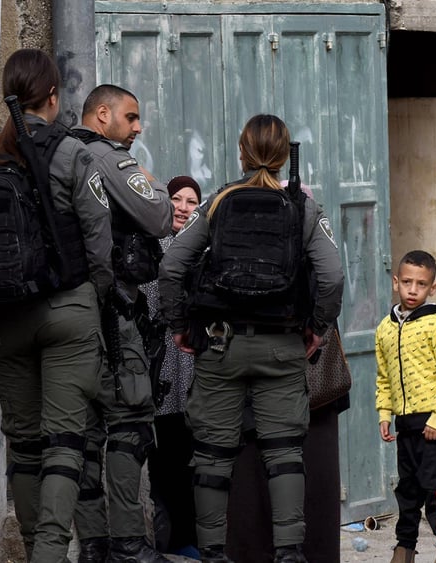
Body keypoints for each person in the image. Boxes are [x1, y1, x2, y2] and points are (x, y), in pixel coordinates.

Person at [158, 114, 345, 563]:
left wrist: (180, 326)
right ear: (283, 157)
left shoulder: (220, 201)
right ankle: (288, 554)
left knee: (212, 457)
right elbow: (333, 274)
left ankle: (215, 554)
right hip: (282, 345)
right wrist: (317, 330)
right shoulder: (302, 206)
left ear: (242, 152)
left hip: (220, 346)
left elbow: (171, 266)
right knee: (284, 453)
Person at [0, 49, 114, 561]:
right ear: (53, 96)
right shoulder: (72, 152)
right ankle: (51, 553)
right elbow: (99, 239)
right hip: (66, 309)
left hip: (3, 314)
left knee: (25, 444)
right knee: (64, 443)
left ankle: (35, 549)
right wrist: (94, 297)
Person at [70, 84, 174, 563]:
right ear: (102, 114)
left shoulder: (59, 153)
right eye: (130, 118)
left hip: (71, 319)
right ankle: (129, 543)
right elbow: (158, 216)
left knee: (85, 435)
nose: (136, 128)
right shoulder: (108, 157)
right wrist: (151, 182)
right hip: (115, 316)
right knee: (131, 424)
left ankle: (92, 544)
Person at [375, 250, 436, 563]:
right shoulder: (385, 328)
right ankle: (404, 548)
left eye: (421, 284)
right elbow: (384, 376)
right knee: (408, 490)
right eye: (407, 282)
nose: (413, 290)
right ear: (396, 282)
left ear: (433, 288)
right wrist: (385, 413)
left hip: (433, 423)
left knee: (434, 488)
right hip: (405, 423)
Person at [141, 176, 202, 558]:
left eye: (191, 201)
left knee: (192, 465)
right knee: (161, 465)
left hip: (195, 374)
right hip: (159, 373)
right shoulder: (151, 246)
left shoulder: (203, 250)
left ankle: (190, 540)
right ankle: (164, 541)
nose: (181, 207)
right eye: (175, 199)